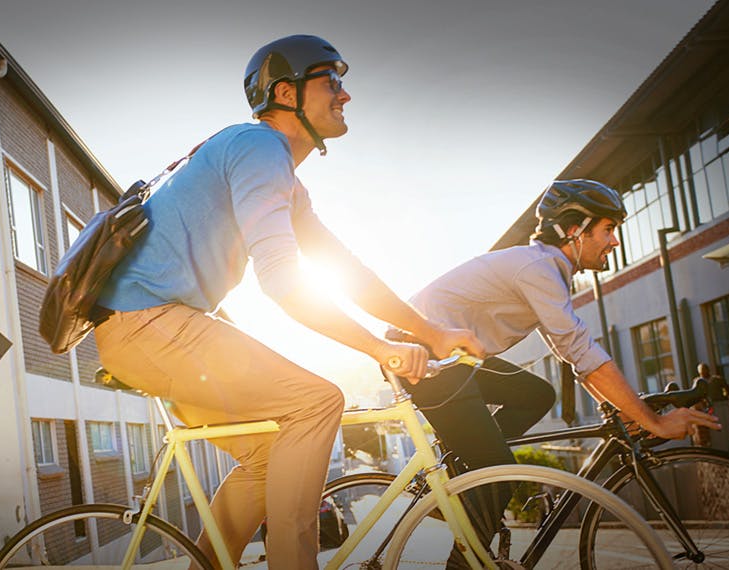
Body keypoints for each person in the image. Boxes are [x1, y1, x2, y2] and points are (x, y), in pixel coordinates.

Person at [93, 34, 484, 570]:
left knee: (263, 455)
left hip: (152, 329)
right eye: (332, 81)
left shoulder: (283, 180)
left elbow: (346, 270)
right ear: (285, 92)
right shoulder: (258, 149)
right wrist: (377, 348)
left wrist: (431, 333)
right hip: (148, 323)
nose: (345, 94)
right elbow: (281, 282)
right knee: (316, 402)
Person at [389, 178, 721, 567]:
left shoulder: (547, 270)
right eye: (608, 229)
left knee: (536, 395)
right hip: (423, 357)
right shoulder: (538, 268)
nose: (615, 241)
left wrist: (621, 411)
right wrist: (653, 422)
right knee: (500, 473)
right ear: (575, 230)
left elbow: (571, 353)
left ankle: (467, 473)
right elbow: (581, 351)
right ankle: (467, 547)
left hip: (452, 360)